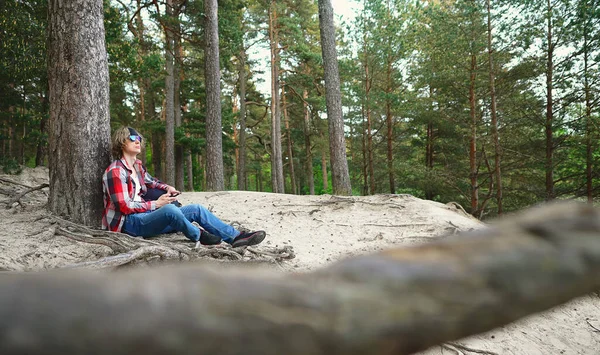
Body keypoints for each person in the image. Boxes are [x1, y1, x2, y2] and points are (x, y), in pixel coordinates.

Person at [101, 126, 266, 249]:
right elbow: (124, 206)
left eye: (139, 138)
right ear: (122, 142)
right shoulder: (116, 171)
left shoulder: (136, 166)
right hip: (128, 224)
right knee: (169, 210)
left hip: (145, 215)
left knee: (197, 209)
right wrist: (157, 204)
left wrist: (168, 188)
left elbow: (151, 182)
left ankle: (236, 237)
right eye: (132, 137)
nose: (138, 141)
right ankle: (199, 235)